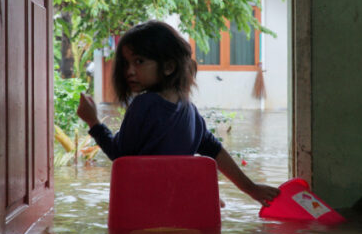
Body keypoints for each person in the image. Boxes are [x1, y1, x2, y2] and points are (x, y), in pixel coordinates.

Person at [76, 20, 280, 205]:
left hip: (145, 208)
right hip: (183, 203)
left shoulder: (144, 105)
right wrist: (251, 188)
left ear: (169, 67)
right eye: (126, 63)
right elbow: (215, 151)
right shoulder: (189, 109)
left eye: (139, 62)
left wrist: (93, 122)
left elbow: (120, 157)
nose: (129, 71)